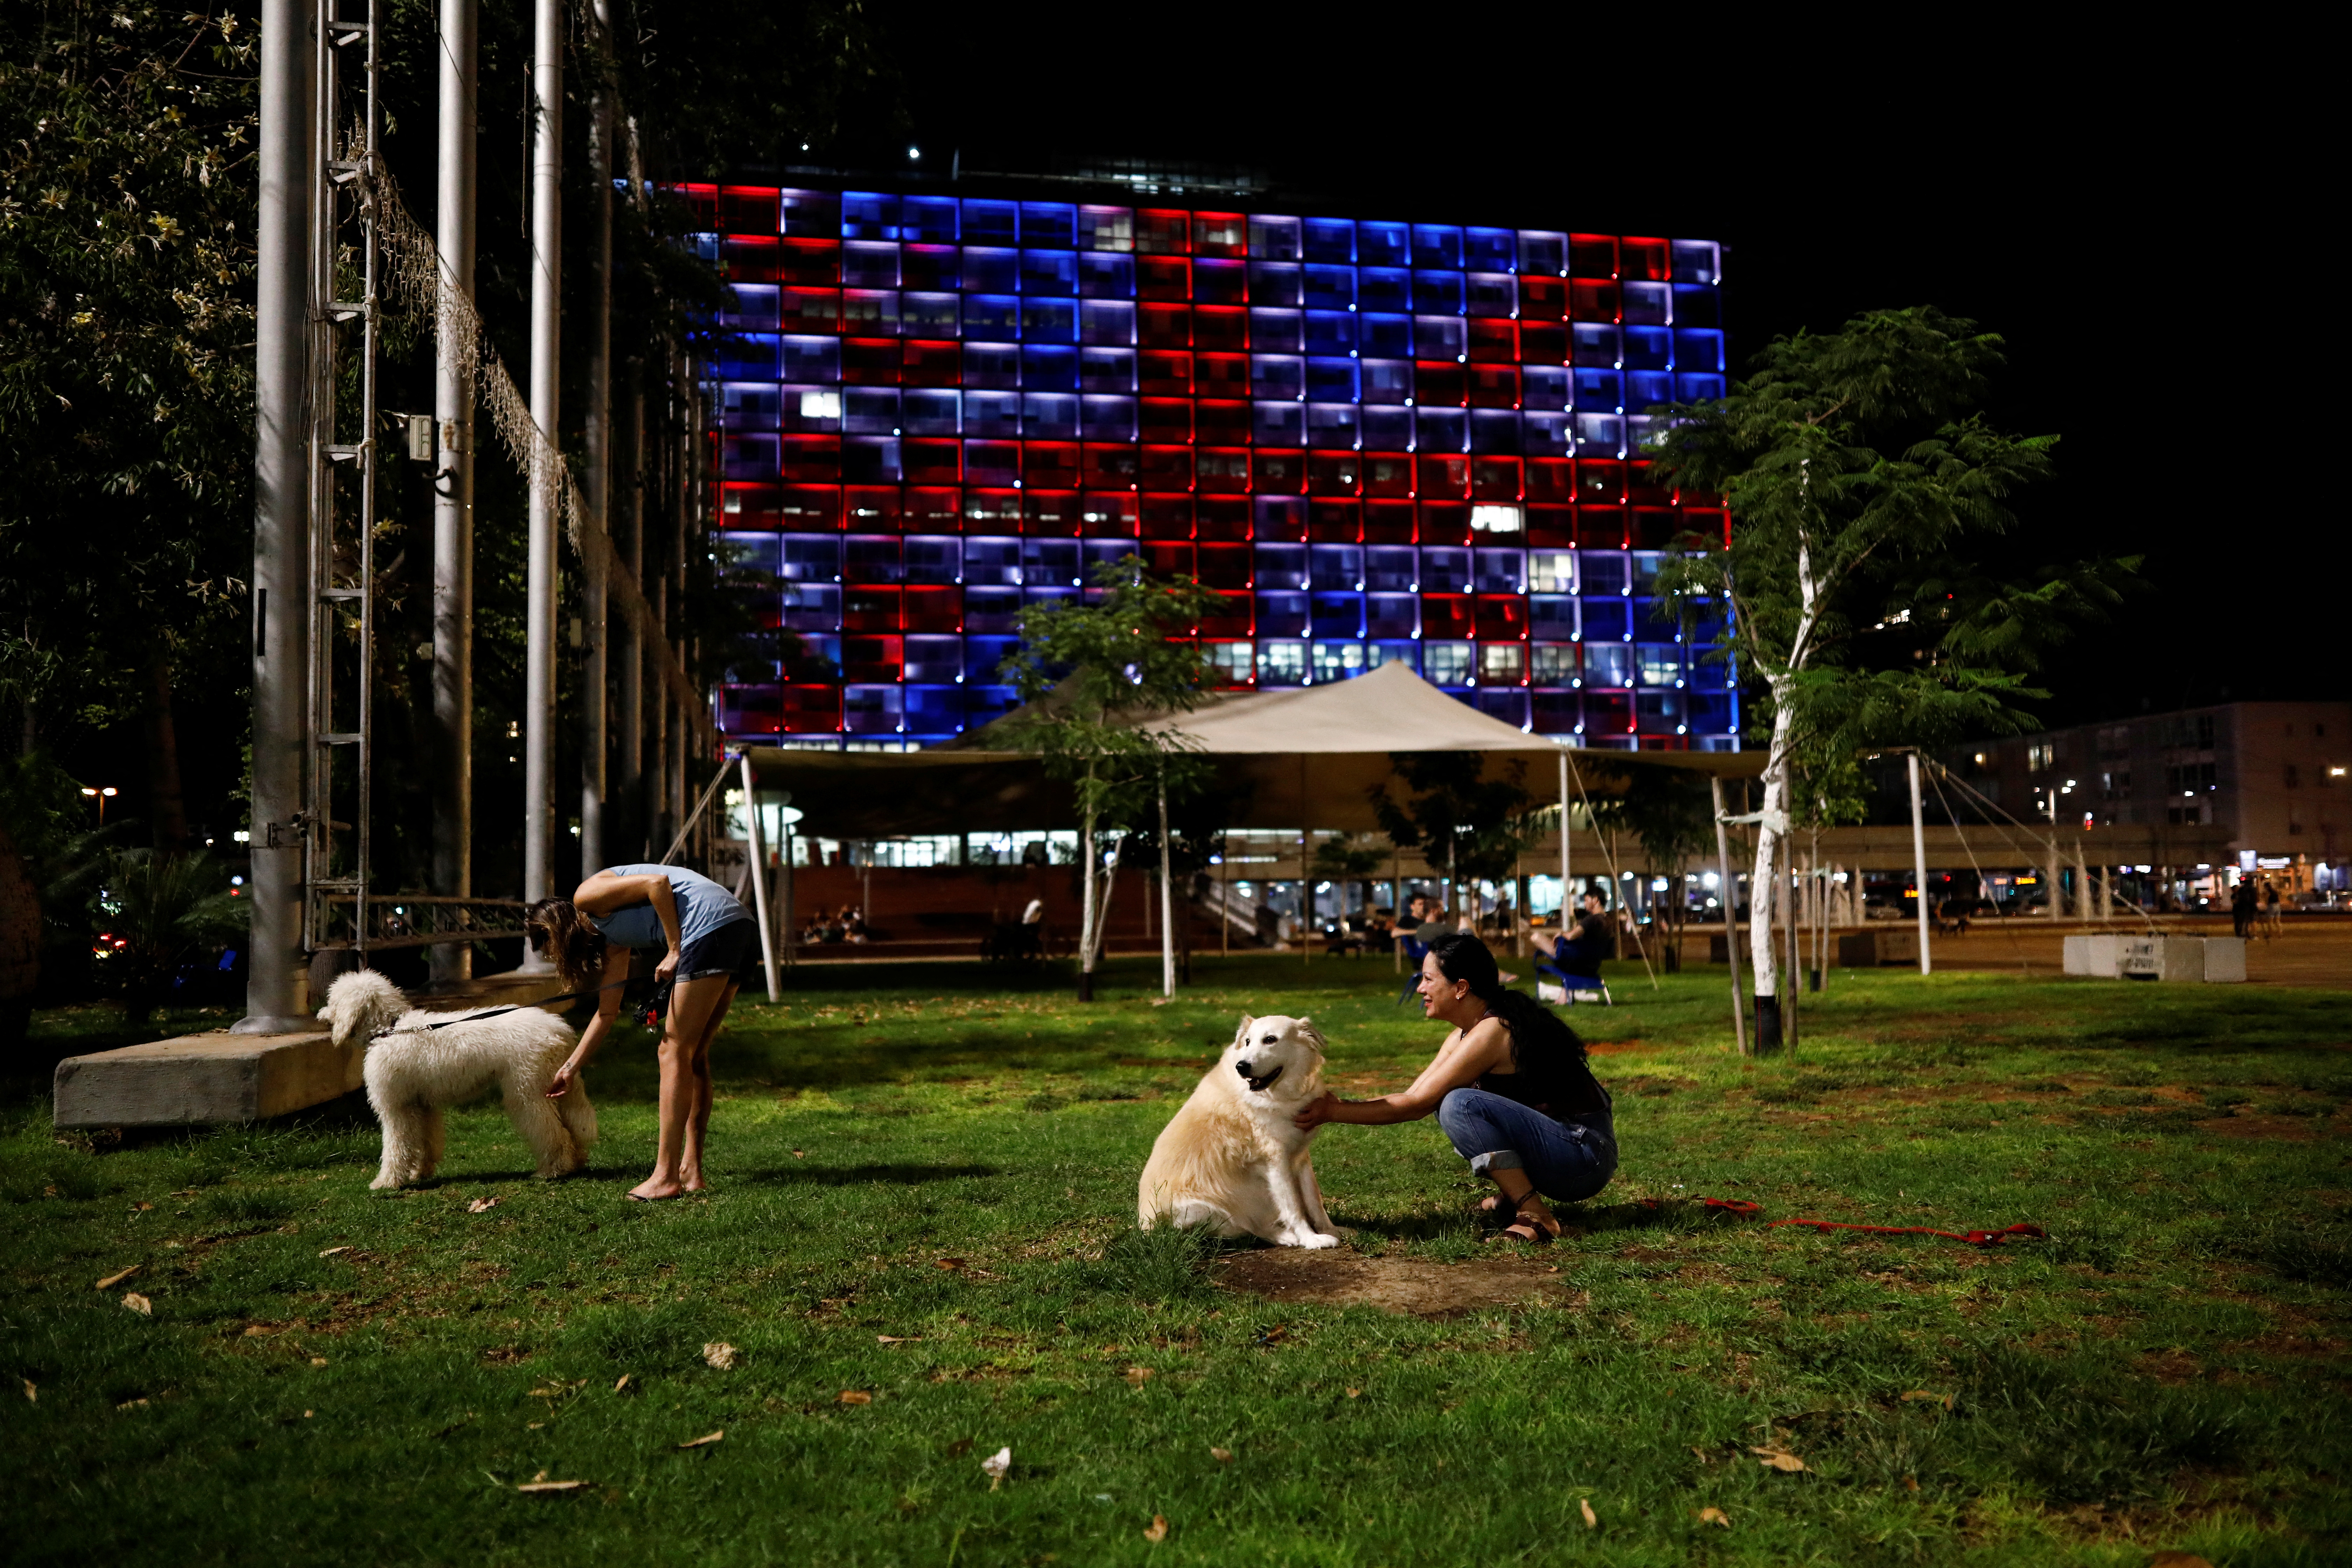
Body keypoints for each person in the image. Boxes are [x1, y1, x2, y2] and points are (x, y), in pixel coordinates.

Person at [1295, 931, 1615, 1243]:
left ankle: (1536, 1215)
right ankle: (1515, 1195)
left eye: (1429, 979)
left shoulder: (1495, 1030)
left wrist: (1332, 1111)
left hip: (1584, 1156)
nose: (1421, 988)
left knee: (1458, 1105)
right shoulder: (1467, 1033)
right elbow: (1412, 1097)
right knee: (1449, 1100)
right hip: (1564, 1147)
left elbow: (1418, 1105)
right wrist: (1339, 1105)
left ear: (1461, 987)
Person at [525, 863, 760, 1202]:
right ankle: (691, 1170)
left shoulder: (586, 896)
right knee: (692, 1055)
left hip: (708, 926)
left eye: (547, 945)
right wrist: (570, 1068)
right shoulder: (613, 938)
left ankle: (665, 1177)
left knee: (673, 1050)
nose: (552, 955)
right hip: (738, 927)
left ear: (554, 929)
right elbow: (606, 1014)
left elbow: (657, 883)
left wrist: (675, 949)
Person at [1533, 889, 1614, 978]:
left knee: (1536, 937)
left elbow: (1571, 936)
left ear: (1595, 900)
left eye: (1586, 900)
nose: (1585, 904)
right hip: (1593, 966)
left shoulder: (1591, 920)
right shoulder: (1609, 922)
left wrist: (1561, 934)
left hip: (1575, 964)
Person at [2231, 876, 2256, 940]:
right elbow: (2235, 902)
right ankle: (2239, 934)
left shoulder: (2241, 893)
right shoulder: (2234, 895)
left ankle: (2245, 934)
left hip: (2242, 910)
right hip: (2237, 911)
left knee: (2244, 923)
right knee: (2238, 923)